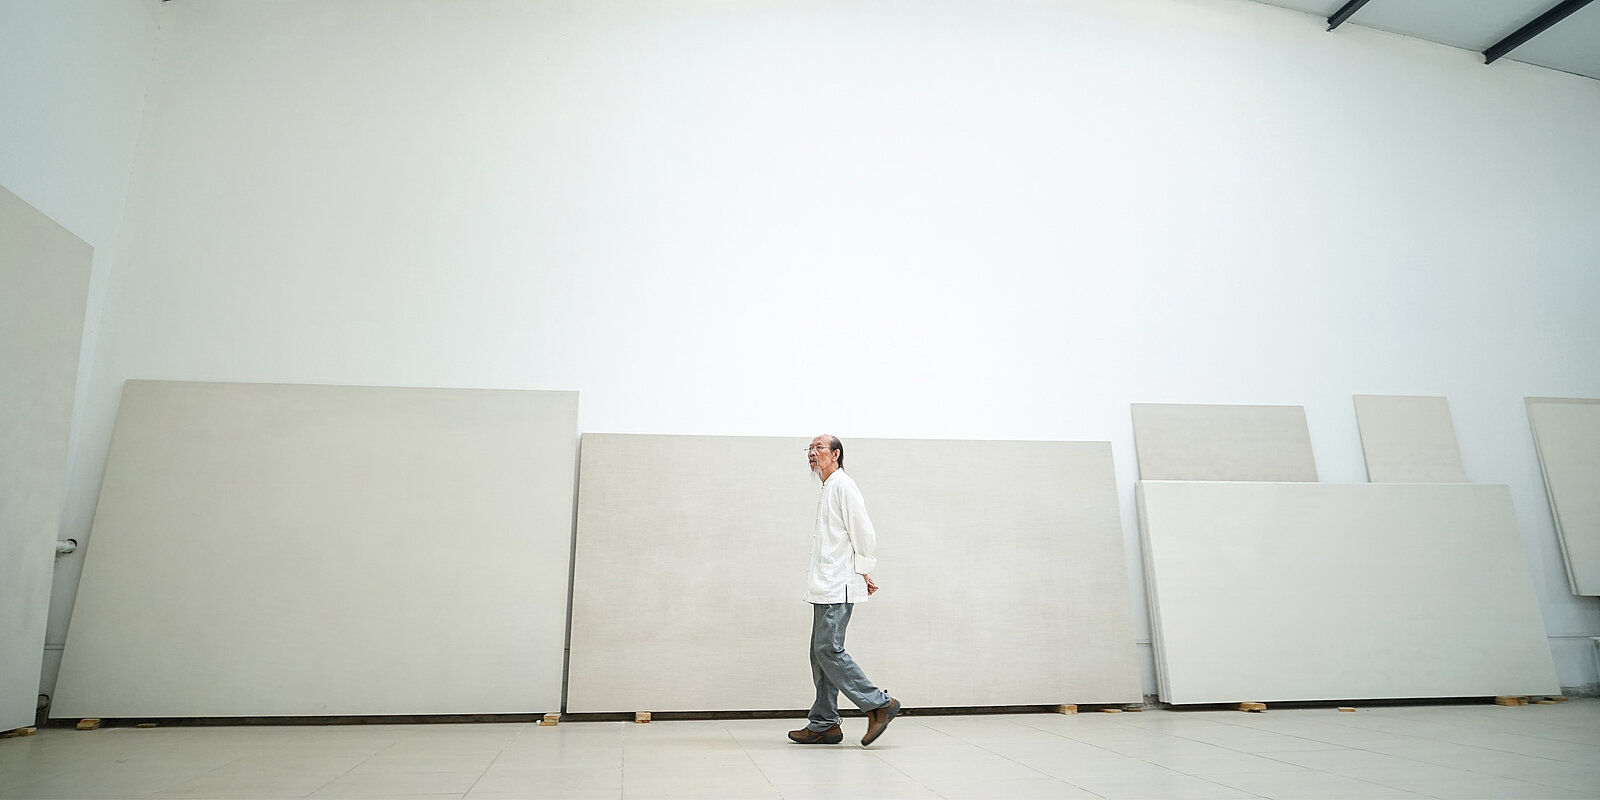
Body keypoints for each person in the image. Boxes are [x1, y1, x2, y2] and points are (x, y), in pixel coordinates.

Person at [788, 434, 901, 747]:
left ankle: (879, 703)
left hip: (837, 585)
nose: (812, 453)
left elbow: (863, 531)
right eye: (809, 449)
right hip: (826, 585)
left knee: (828, 650)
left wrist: (864, 568)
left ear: (835, 454)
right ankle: (824, 723)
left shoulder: (842, 485)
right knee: (819, 654)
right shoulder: (829, 487)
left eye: (819, 448)